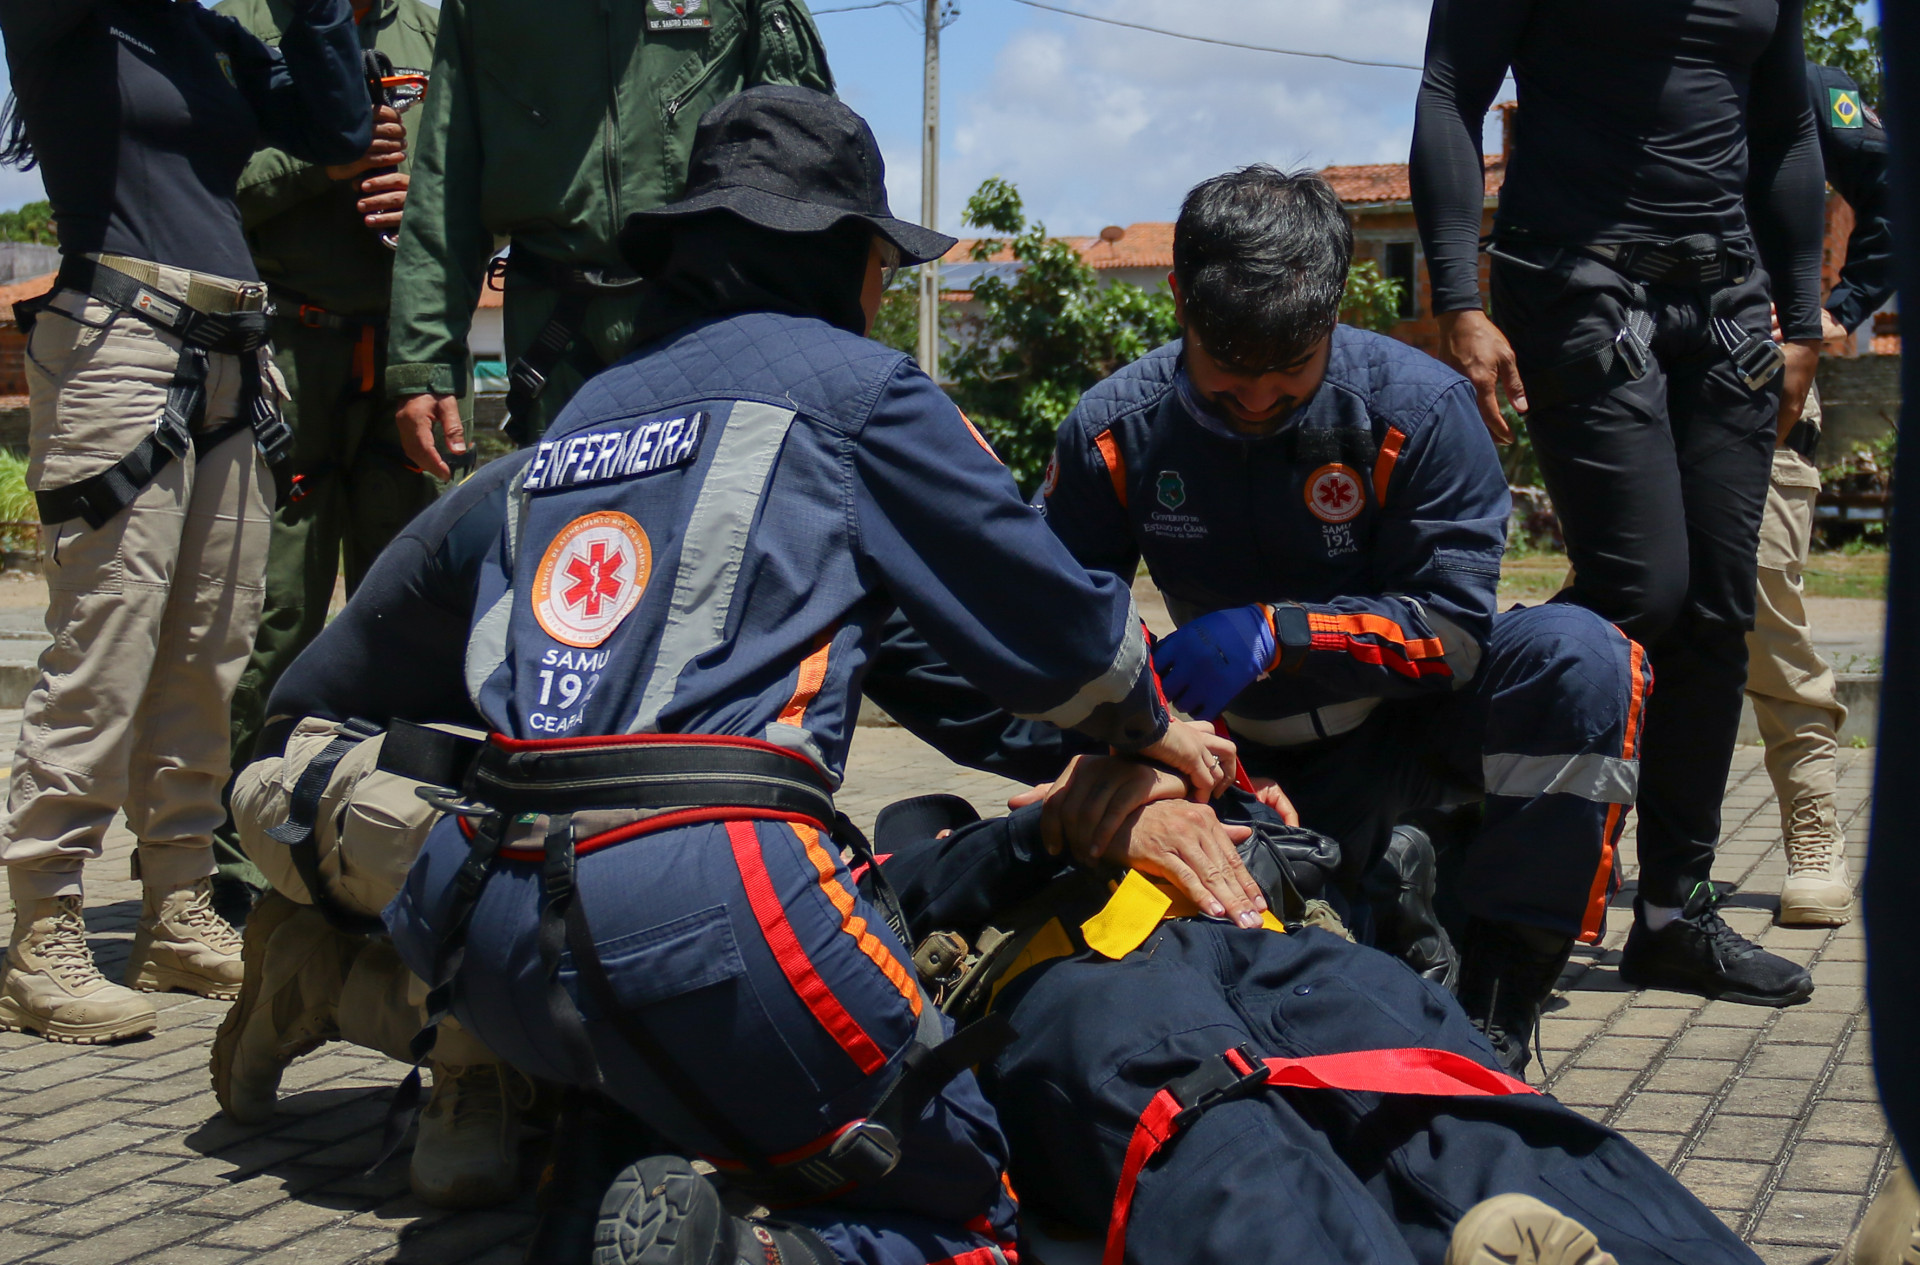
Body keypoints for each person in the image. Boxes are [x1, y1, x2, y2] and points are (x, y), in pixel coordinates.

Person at [234, 86, 1227, 1265]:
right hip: (707, 890)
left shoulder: (582, 418)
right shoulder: (858, 388)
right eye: (880, 262)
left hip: (487, 910)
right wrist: (1152, 726)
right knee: (968, 1199)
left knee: (691, 1083)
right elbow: (1059, 625)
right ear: (844, 257)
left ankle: (602, 1170)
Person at [1031, 164, 1650, 1075]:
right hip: (1237, 762)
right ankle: (1388, 882)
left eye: (1289, 377)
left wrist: (1281, 633)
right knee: (1274, 976)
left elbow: (1456, 633)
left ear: (1333, 313)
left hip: (1409, 732)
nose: (1255, 404)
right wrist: (1138, 741)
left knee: (1583, 657)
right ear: (1180, 302)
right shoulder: (1114, 432)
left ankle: (1499, 1004)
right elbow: (1051, 630)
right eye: (1227, 378)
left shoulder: (1420, 410)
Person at [868, 757, 1765, 1265]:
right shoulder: (936, 867)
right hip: (1086, 985)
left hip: (1278, 952)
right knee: (1220, 1135)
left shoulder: (1160, 786)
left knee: (1456, 1103)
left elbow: (1314, 848)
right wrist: (1040, 828)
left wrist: (1225, 794)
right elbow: (885, 904)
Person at [1411, 0, 1824, 1006]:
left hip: (1727, 294)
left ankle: (1676, 915)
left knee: (1719, 604)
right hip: (1573, 278)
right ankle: (1432, 777)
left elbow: (1788, 125)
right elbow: (1451, 94)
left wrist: (1806, 317)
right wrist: (1459, 299)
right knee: (1644, 587)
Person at [0, 0, 370, 1044]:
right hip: (119, 344)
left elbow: (338, 127)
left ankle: (175, 910)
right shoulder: (62, 23)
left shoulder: (202, 33)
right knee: (106, 643)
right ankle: (42, 935)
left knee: (211, 650)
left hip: (232, 356)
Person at [206, 0, 444, 926]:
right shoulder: (238, 23)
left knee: (408, 614)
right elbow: (202, 186)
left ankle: (383, 838)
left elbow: (480, 177)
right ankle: (234, 854)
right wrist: (325, 163)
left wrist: (429, 199)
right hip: (284, 352)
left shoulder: (435, 30)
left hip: (405, 360)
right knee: (272, 614)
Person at [384, 0, 835, 479]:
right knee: (568, 522)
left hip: (711, 323)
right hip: (556, 344)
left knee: (717, 514)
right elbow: (445, 183)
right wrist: (424, 366)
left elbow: (805, 160)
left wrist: (816, 341)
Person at [1747, 60, 1892, 928]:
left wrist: (1842, 305)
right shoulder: (1619, 63)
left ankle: (1813, 829)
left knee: (1765, 605)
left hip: (1765, 377)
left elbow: (1892, 187)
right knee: (1625, 610)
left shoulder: (1796, 76)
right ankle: (1606, 837)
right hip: (1635, 375)